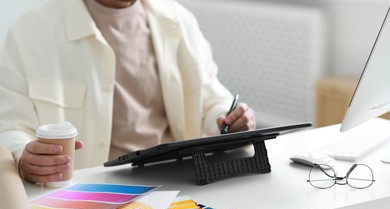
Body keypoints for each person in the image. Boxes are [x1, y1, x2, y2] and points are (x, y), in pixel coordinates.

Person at [0, 0, 256, 184]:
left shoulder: (179, 20)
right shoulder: (29, 32)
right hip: (86, 192)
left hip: (176, 181)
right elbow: (10, 126)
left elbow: (210, 97)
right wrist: (24, 156)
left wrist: (230, 119)